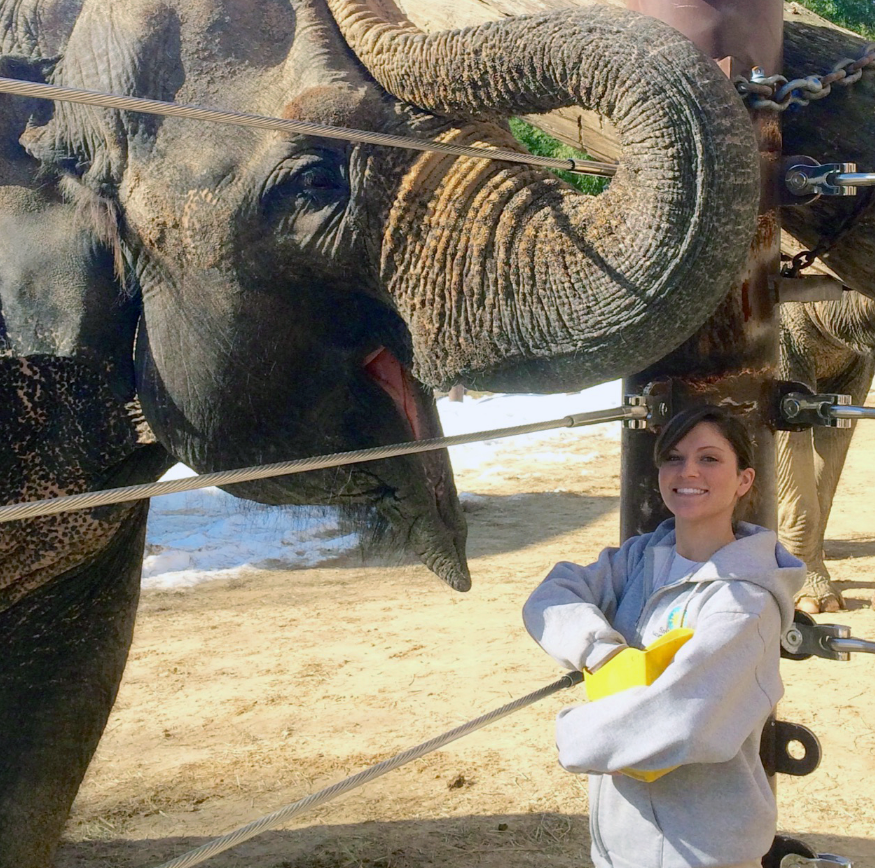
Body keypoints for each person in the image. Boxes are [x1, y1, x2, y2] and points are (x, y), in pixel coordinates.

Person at [522, 405, 805, 868]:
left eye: (709, 459)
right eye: (673, 458)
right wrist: (601, 651)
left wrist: (570, 736)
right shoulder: (640, 558)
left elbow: (683, 718)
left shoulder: (745, 601)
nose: (687, 470)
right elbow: (552, 595)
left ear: (744, 481)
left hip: (701, 852)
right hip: (622, 845)